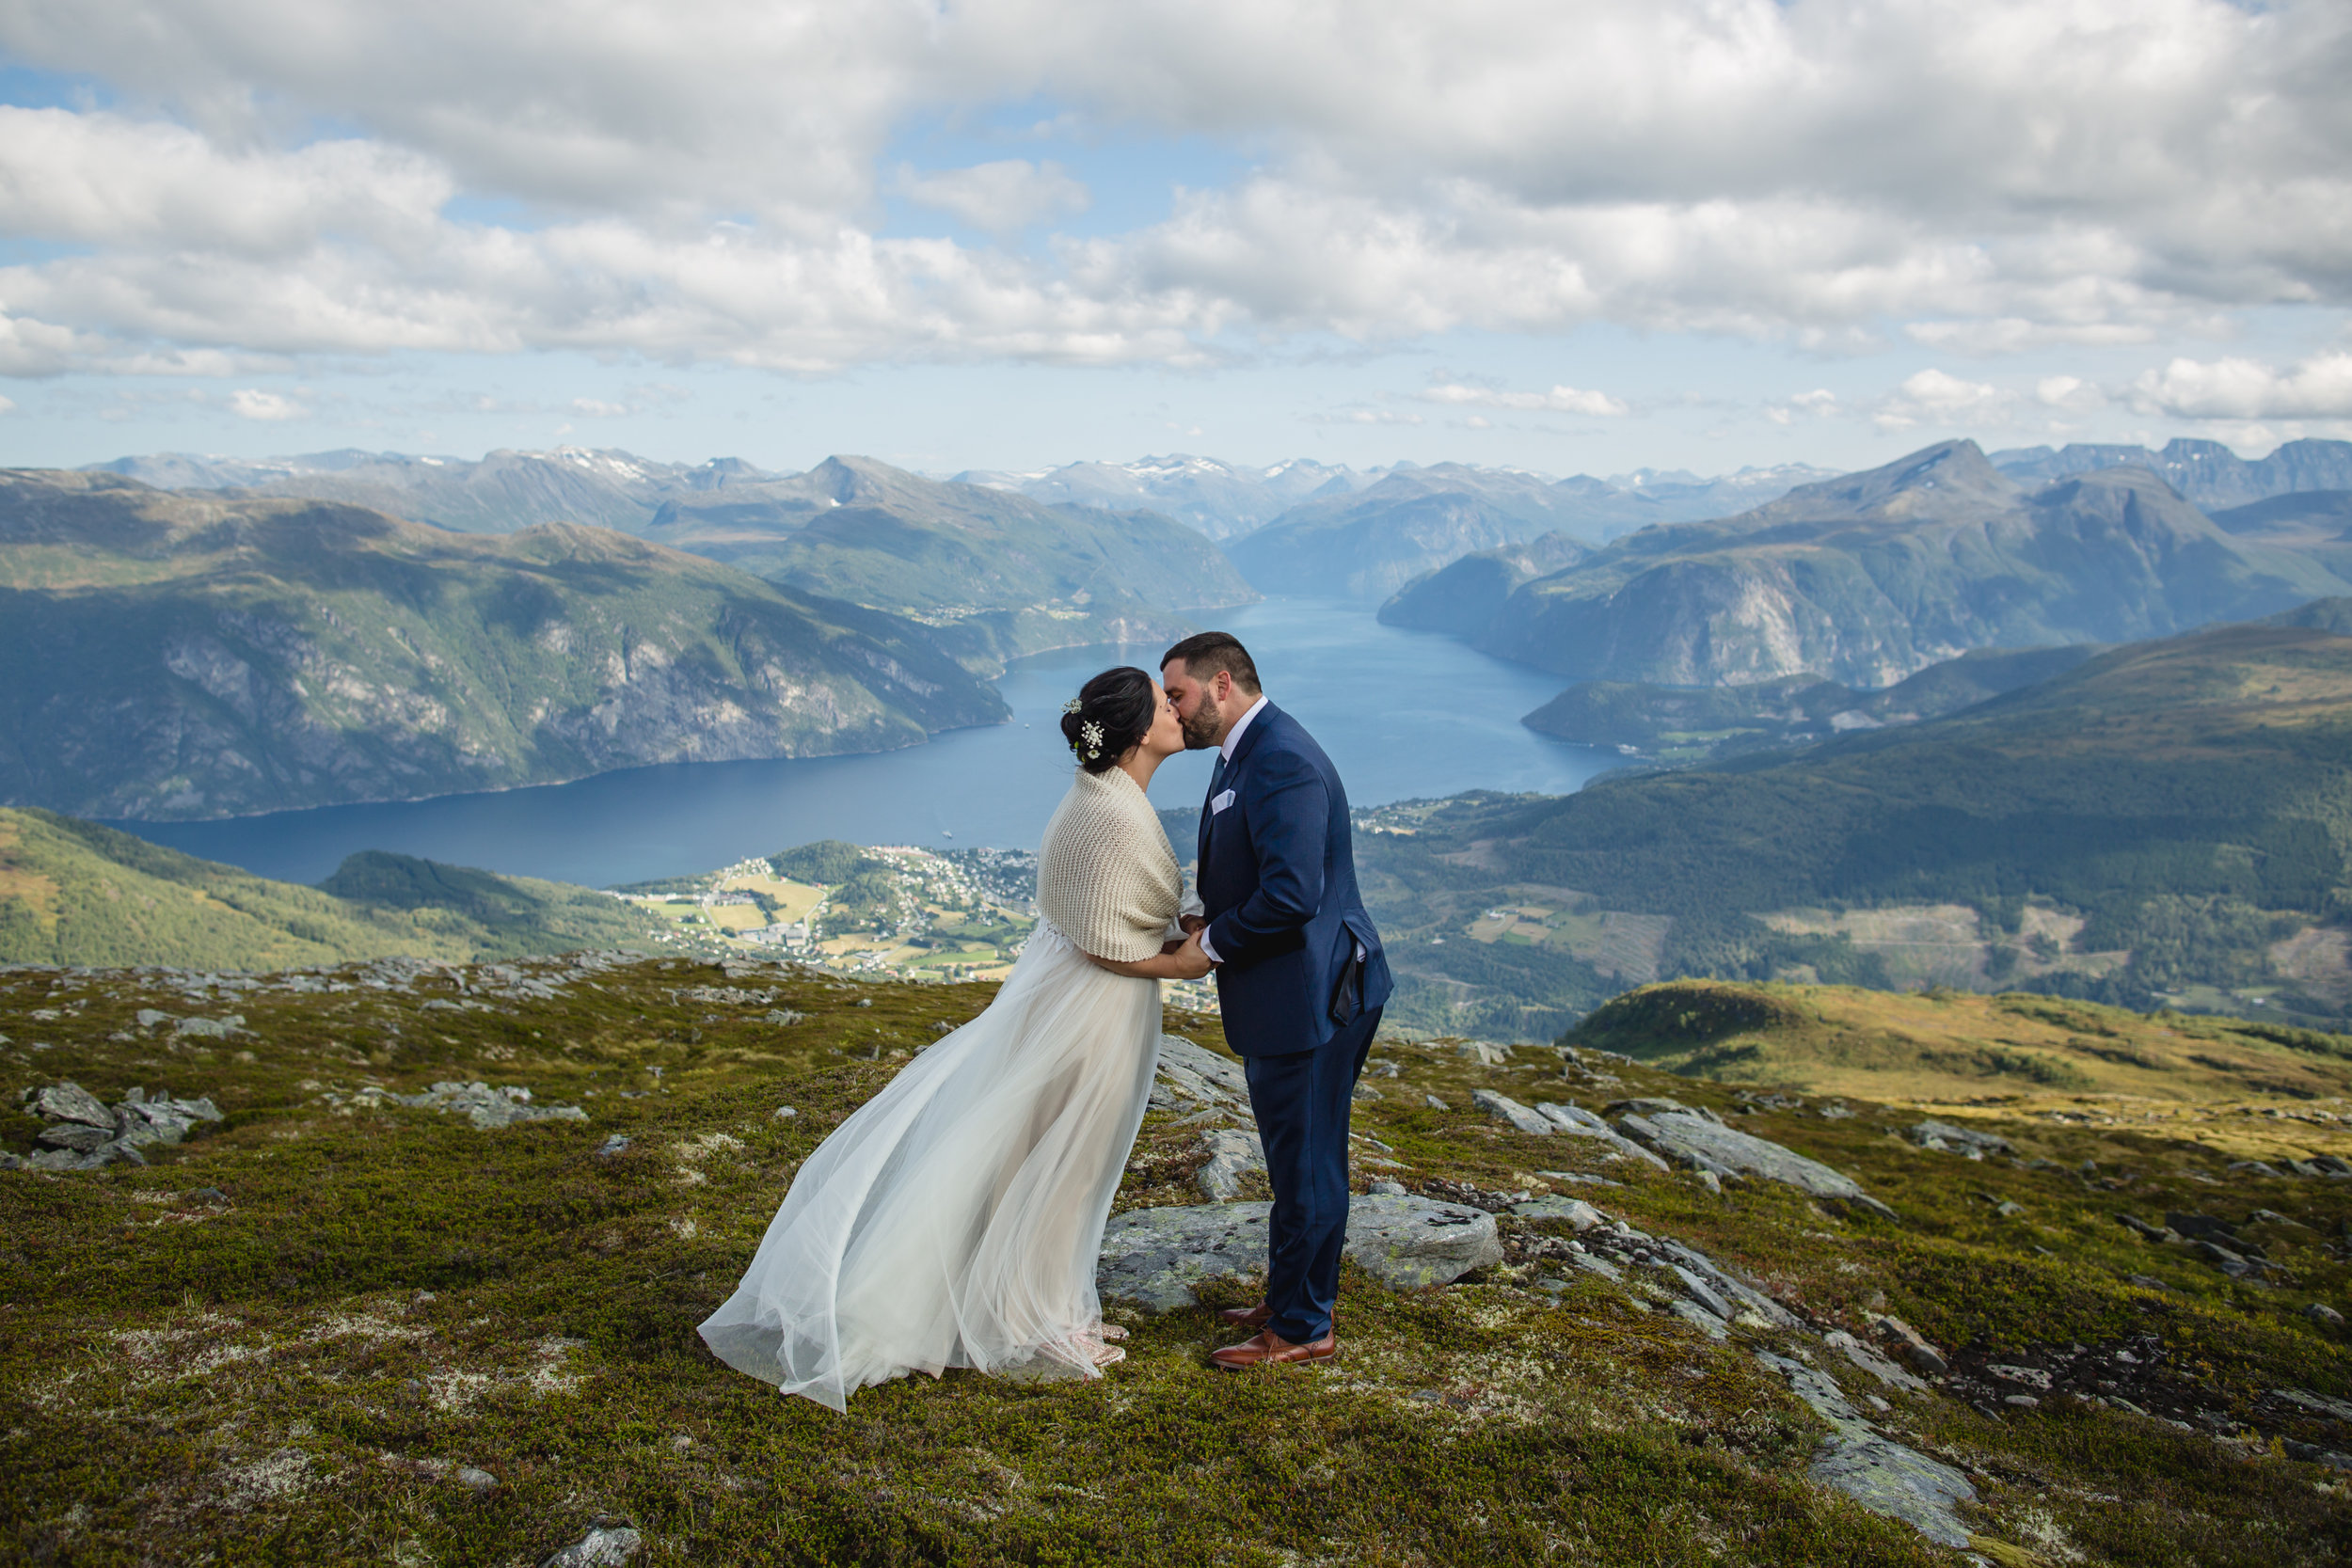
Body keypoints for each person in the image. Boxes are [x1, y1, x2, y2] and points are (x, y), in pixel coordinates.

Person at [697, 666, 1212, 1411]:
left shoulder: (1105, 796)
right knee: (1065, 1162)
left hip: (1082, 1000)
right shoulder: (1109, 814)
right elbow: (1107, 945)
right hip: (1093, 1009)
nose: (1178, 709)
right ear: (1135, 733)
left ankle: (1043, 1306)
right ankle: (1035, 1322)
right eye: (1165, 702)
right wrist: (1185, 962)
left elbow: (1120, 914)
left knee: (1047, 1154)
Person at [1160, 631, 1391, 1370]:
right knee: (1295, 1158)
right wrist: (1209, 917)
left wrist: (1213, 943)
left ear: (1222, 684)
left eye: (1177, 694)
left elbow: (1293, 894)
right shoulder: (1245, 751)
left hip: (1313, 996)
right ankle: (1289, 1294)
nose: (1171, 709)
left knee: (1310, 1164)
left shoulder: (1281, 757)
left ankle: (1303, 1325)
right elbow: (1260, 869)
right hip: (1291, 988)